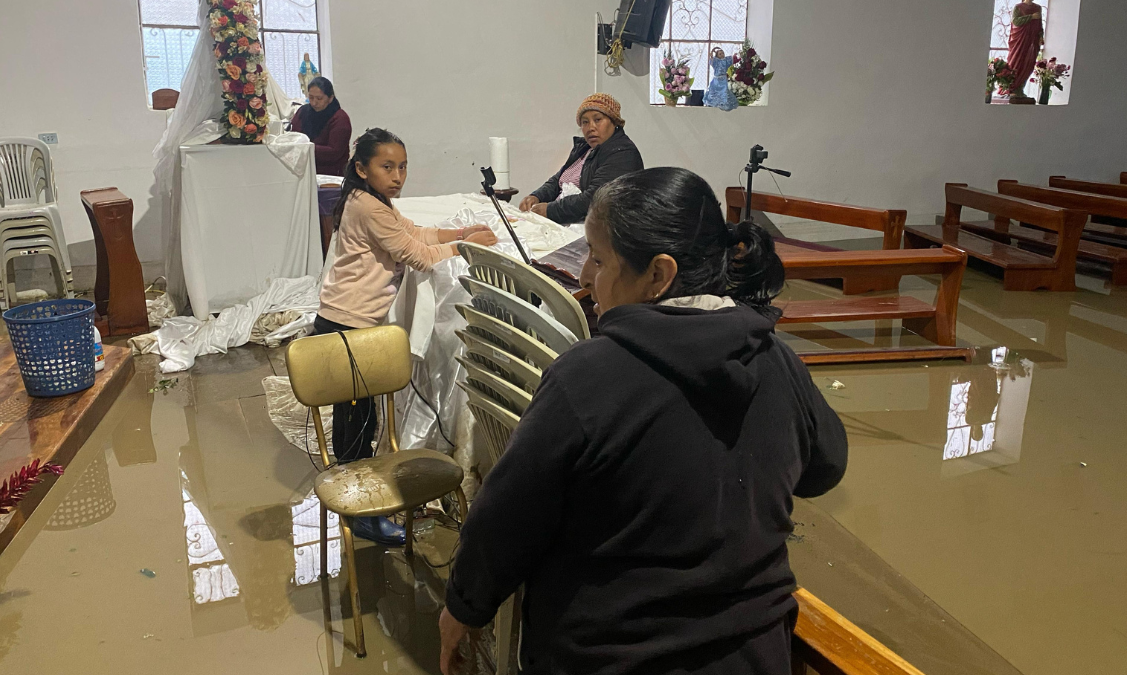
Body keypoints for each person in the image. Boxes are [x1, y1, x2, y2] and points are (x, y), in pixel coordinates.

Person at [440, 167, 848, 674]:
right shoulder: (775, 359)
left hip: (610, 655)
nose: (584, 276)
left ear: (658, 275)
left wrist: (463, 608)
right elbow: (825, 468)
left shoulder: (589, 376)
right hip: (751, 654)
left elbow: (508, 518)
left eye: (597, 258)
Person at [313, 128, 497, 544]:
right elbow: (419, 255)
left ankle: (358, 497)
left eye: (403, 167)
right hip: (350, 324)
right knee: (357, 424)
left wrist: (458, 234)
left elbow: (414, 232)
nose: (398, 176)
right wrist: (466, 248)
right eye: (387, 167)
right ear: (362, 168)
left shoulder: (372, 199)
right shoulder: (369, 207)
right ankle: (360, 511)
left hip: (347, 320)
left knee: (358, 417)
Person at [519, 93, 643, 225]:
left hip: (605, 229)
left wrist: (550, 210)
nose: (591, 127)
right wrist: (537, 196)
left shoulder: (622, 153)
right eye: (585, 122)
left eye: (598, 120)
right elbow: (559, 179)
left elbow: (596, 199)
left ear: (614, 122)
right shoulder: (585, 149)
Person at [290, 76, 353, 176]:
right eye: (311, 97)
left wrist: (306, 147)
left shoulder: (340, 119)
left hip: (331, 174)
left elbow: (334, 152)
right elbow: (293, 137)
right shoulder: (303, 112)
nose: (314, 103)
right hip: (303, 170)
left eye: (319, 98)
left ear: (330, 98)